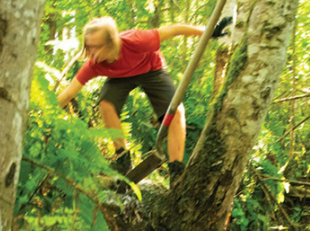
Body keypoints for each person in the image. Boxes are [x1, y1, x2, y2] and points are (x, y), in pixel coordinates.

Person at [57, 16, 231, 177]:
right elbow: (70, 92)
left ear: (111, 42)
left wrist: (209, 31)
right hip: (119, 78)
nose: (92, 52)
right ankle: (122, 158)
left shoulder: (137, 41)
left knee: (176, 112)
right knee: (106, 104)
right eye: (89, 47)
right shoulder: (95, 64)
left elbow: (174, 30)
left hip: (151, 70)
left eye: (97, 46)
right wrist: (39, 113)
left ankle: (176, 169)